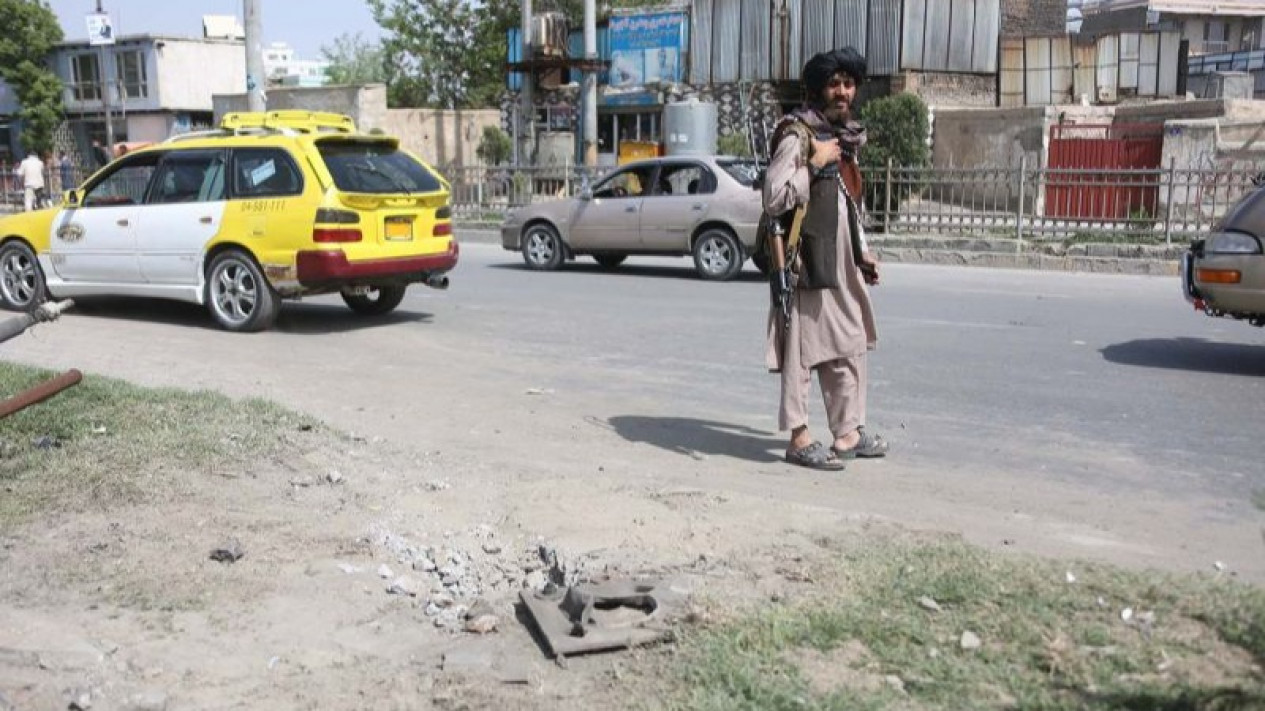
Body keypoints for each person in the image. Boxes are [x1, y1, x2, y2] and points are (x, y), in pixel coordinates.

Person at [762, 47, 888, 471]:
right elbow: (775, 196)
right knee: (801, 352)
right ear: (818, 89)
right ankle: (799, 438)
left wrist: (863, 252)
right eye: (834, 84)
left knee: (848, 345)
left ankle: (847, 432)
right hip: (805, 263)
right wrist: (813, 165)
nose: (842, 92)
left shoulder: (843, 137)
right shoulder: (798, 136)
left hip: (840, 261)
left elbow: (847, 204)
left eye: (848, 84)